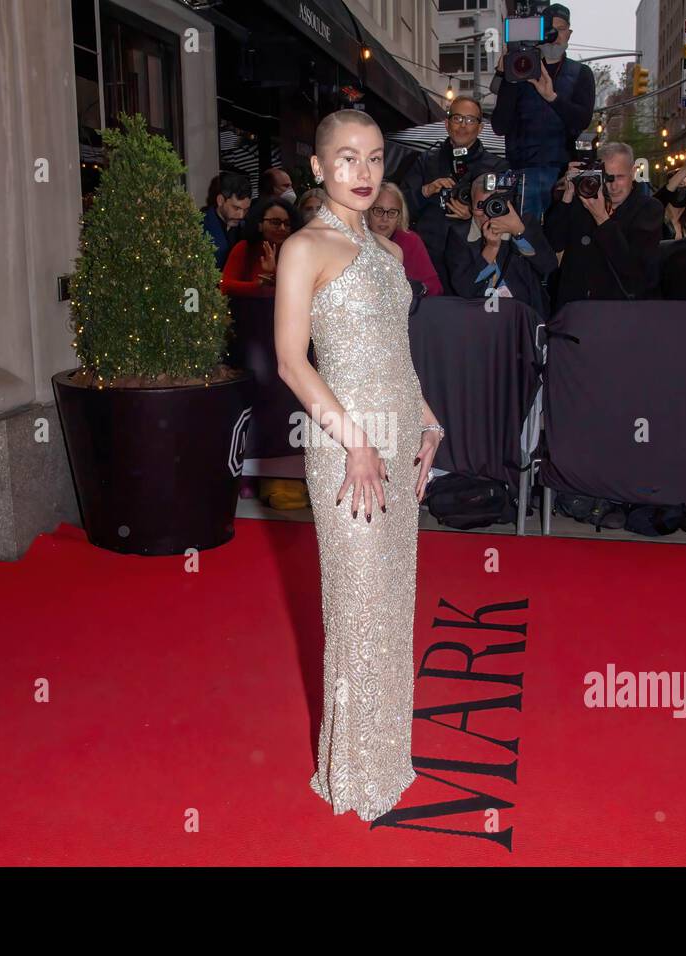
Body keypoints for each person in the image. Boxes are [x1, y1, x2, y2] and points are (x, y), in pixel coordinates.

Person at [274, 108, 443, 821]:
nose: (364, 172)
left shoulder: (391, 250)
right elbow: (290, 362)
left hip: (397, 437)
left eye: (374, 158)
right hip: (348, 447)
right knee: (357, 607)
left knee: (391, 605)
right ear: (318, 168)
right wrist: (357, 441)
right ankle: (353, 772)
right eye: (347, 159)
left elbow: (395, 356)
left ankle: (385, 756)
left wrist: (427, 417)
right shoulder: (304, 249)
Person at [489, 3, 595, 220]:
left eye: (562, 28)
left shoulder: (581, 73)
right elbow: (500, 126)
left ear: (570, 33)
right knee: (525, 241)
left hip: (563, 174)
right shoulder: (520, 69)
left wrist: (552, 98)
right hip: (522, 173)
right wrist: (508, 72)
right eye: (550, 28)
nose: (555, 34)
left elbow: (582, 120)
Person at [399, 95, 509, 291]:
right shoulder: (426, 161)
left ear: (480, 127)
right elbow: (400, 208)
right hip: (428, 255)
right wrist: (425, 191)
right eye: (457, 118)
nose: (463, 125)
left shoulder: (496, 167)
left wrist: (474, 215)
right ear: (447, 124)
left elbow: (505, 218)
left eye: (470, 120)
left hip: (472, 259)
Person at [543, 141, 662, 308]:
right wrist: (568, 195)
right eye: (607, 178)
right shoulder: (584, 201)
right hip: (575, 308)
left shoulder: (648, 209)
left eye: (620, 177)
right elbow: (553, 242)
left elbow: (634, 268)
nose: (613, 186)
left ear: (634, 172)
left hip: (618, 312)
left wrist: (601, 218)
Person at [446, 172, 554, 317]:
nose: (487, 212)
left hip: (524, 317)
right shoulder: (460, 235)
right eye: (480, 205)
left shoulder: (523, 224)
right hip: (482, 319)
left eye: (494, 204)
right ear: (470, 207)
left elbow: (548, 266)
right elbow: (465, 289)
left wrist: (518, 233)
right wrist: (491, 248)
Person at [366, 181, 442, 298]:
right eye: (378, 211)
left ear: (400, 217)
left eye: (392, 212)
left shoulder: (410, 240)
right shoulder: (354, 239)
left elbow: (435, 288)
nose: (385, 218)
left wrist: (419, 288)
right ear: (367, 212)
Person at [219, 197, 300, 298]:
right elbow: (225, 285)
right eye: (275, 222)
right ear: (260, 225)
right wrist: (259, 285)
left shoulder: (297, 252)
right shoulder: (245, 248)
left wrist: (273, 275)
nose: (282, 228)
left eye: (287, 224)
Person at [201, 171, 251, 270]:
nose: (241, 215)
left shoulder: (246, 227)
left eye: (246, 210)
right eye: (236, 208)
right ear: (220, 200)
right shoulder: (199, 227)